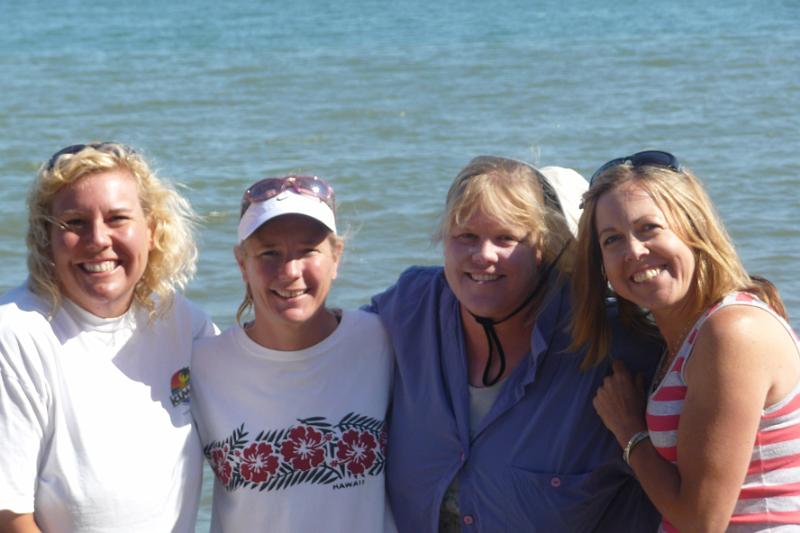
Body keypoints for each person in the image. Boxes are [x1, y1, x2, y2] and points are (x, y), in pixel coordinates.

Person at [368, 155, 661, 532]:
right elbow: (318, 342)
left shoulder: (608, 344)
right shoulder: (413, 308)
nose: (483, 255)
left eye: (506, 238)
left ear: (544, 247)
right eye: (466, 237)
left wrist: (743, 317)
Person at [573, 150, 800, 532]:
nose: (633, 252)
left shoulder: (733, 332)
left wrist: (630, 433)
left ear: (693, 228)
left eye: (649, 228)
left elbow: (701, 521)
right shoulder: (685, 339)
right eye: (612, 240)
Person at [0, 142, 215, 532]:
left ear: (152, 231)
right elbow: (8, 516)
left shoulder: (186, 325)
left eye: (117, 218)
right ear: (45, 236)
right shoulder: (15, 335)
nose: (98, 239)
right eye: (75, 223)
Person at [191, 174, 395, 532]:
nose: (290, 271)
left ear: (337, 257)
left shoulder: (382, 341)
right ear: (242, 263)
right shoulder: (202, 366)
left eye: (308, 251)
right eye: (270, 253)